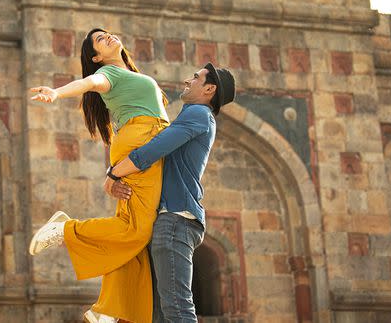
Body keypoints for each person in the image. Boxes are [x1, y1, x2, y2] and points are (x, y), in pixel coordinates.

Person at [28, 28, 169, 323]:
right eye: (99, 40)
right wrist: (57, 92)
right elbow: (90, 82)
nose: (108, 37)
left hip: (145, 142)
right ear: (96, 57)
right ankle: (65, 231)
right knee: (137, 231)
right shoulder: (109, 74)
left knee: (134, 231)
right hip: (142, 141)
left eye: (108, 34)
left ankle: (108, 309)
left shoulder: (129, 73)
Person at [104, 63, 236, 322]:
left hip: (175, 218)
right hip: (167, 220)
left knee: (176, 307)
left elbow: (154, 149)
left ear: (209, 89)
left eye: (196, 77)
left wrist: (114, 173)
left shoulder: (199, 114)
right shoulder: (193, 115)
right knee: (158, 313)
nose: (188, 80)